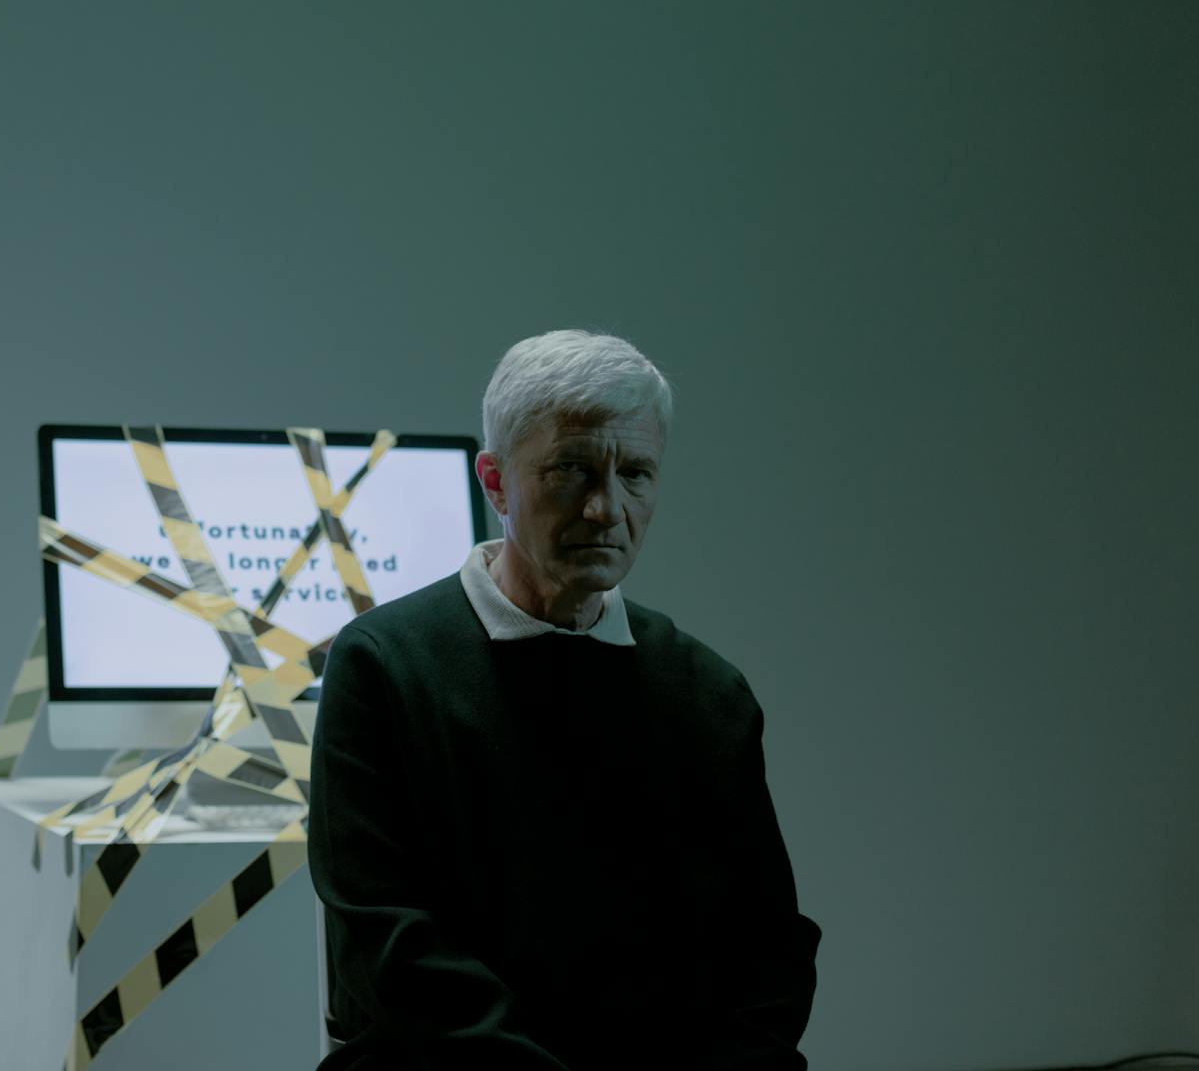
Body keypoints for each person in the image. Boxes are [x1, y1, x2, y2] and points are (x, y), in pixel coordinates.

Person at [308, 329, 822, 1069]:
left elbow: (766, 947)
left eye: (636, 474)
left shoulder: (706, 691)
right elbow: (387, 943)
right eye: (570, 470)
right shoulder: (385, 666)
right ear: (494, 482)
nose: (605, 509)